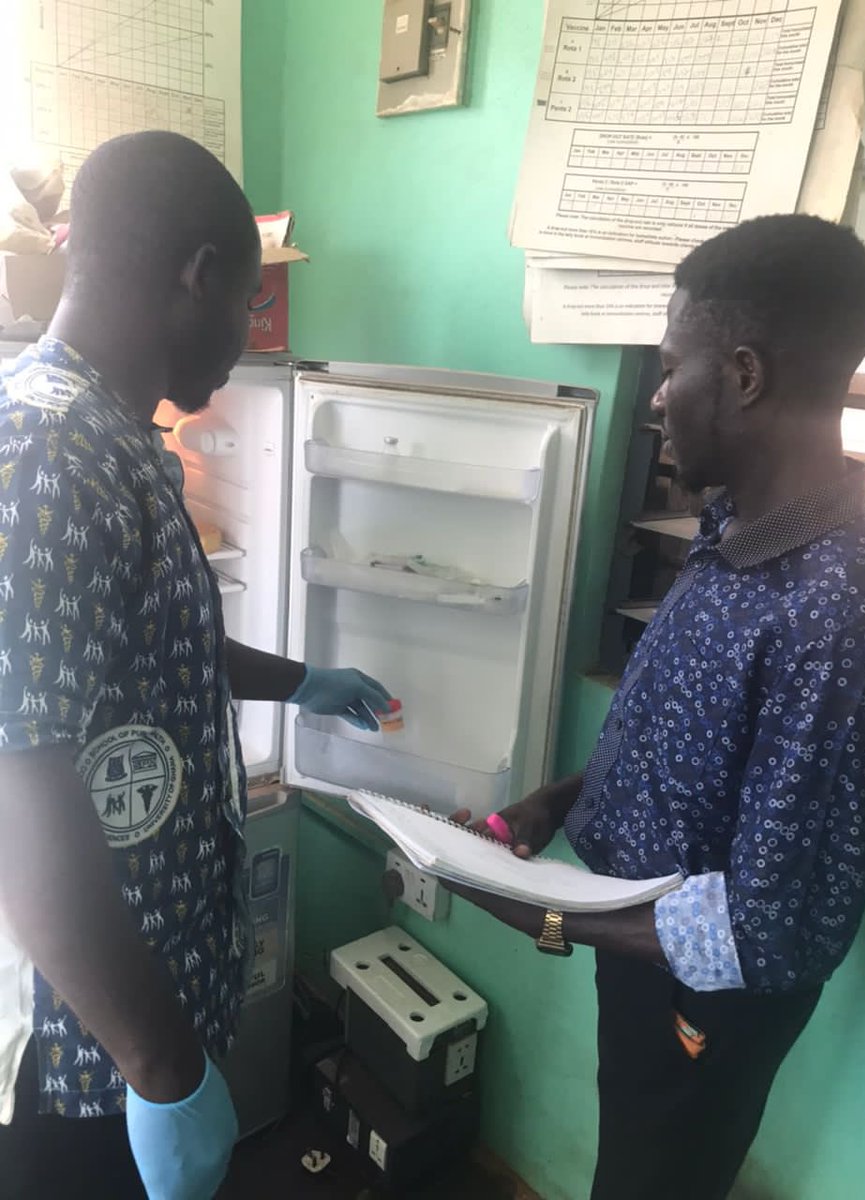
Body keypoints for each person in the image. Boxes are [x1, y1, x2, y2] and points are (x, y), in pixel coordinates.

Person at [452, 214, 865, 1200]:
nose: (655, 399)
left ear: (741, 375)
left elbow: (772, 930)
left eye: (668, 369)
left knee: (655, 1183)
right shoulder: (735, 532)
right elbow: (679, 728)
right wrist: (563, 802)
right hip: (638, 953)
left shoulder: (840, 616)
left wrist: (553, 919)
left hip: (708, 1003)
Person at [0, 131, 392, 1199]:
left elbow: (149, 647)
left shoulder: (112, 437)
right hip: (94, 1061)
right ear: (200, 276)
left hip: (148, 1011)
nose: (243, 338)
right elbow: (15, 782)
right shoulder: (49, 452)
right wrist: (163, 1069)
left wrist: (299, 679)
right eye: (247, 307)